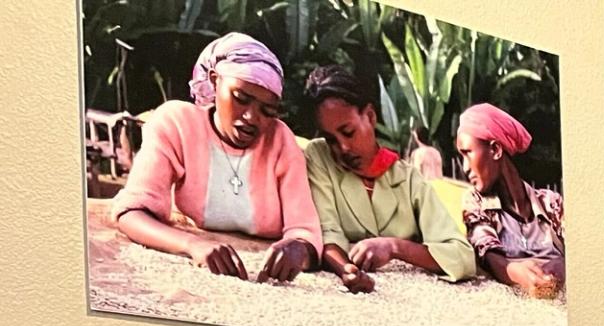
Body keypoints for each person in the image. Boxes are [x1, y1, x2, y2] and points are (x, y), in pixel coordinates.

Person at [111, 32, 321, 284]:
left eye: (268, 111)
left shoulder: (281, 140)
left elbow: (306, 230)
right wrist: (194, 245)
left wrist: (298, 248)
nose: (252, 118)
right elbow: (131, 212)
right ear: (214, 81)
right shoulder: (177, 123)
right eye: (241, 98)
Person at [302, 65, 477, 293]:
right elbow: (327, 232)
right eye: (331, 139)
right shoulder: (319, 157)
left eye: (348, 132)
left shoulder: (409, 180)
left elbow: (462, 257)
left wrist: (395, 247)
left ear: (370, 116)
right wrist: (346, 270)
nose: (342, 148)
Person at [454, 103, 565, 299]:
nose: (465, 168)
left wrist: (561, 266)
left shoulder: (551, 204)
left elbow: (583, 253)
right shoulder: (477, 203)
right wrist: (518, 272)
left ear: (496, 149)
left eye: (468, 153)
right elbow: (487, 253)